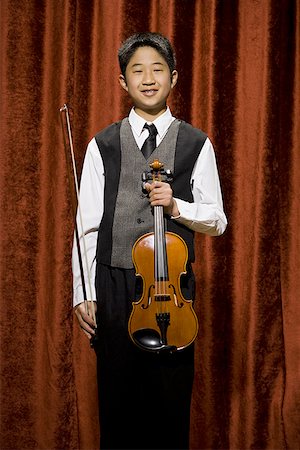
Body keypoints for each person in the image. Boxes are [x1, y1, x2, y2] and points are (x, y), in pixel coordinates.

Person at [72, 32, 227, 450]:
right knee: (117, 406)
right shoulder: (102, 144)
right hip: (115, 284)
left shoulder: (196, 142)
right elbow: (86, 225)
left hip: (170, 291)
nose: (147, 78)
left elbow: (217, 219)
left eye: (157, 69)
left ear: (174, 78)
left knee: (168, 406)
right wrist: (82, 293)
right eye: (136, 70)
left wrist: (178, 207)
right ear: (122, 82)